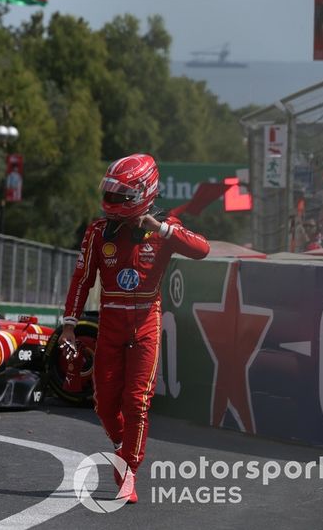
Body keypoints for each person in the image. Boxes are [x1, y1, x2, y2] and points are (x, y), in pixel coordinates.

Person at [58, 153, 209, 504]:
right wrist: (68, 325)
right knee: (105, 403)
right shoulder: (98, 232)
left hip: (145, 324)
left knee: (137, 400)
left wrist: (161, 229)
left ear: (144, 193)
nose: (112, 202)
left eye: (121, 196)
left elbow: (202, 249)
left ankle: (129, 470)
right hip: (109, 323)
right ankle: (122, 446)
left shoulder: (164, 227)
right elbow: (82, 278)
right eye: (110, 193)